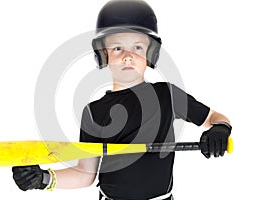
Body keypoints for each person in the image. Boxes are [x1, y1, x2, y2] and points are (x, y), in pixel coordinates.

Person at [12, 0, 232, 199]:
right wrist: (43, 179)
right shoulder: (94, 112)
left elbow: (213, 117)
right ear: (104, 54)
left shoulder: (167, 95)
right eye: (118, 48)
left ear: (150, 54)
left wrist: (220, 128)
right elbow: (85, 174)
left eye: (138, 47)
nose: (128, 56)